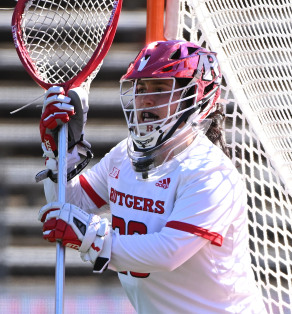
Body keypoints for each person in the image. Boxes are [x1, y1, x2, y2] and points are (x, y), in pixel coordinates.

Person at [37, 40, 266, 313]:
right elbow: (69, 203)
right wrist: (62, 154)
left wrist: (92, 237)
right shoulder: (125, 154)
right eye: (141, 88)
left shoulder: (211, 172)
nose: (145, 99)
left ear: (195, 96)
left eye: (159, 89)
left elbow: (169, 252)